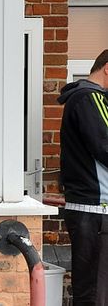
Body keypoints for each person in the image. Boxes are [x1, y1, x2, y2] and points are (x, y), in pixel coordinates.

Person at [58, 48, 108, 306]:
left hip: (92, 210)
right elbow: (105, 146)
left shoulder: (87, 100)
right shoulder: (91, 99)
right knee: (95, 293)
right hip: (96, 210)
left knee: (92, 290)